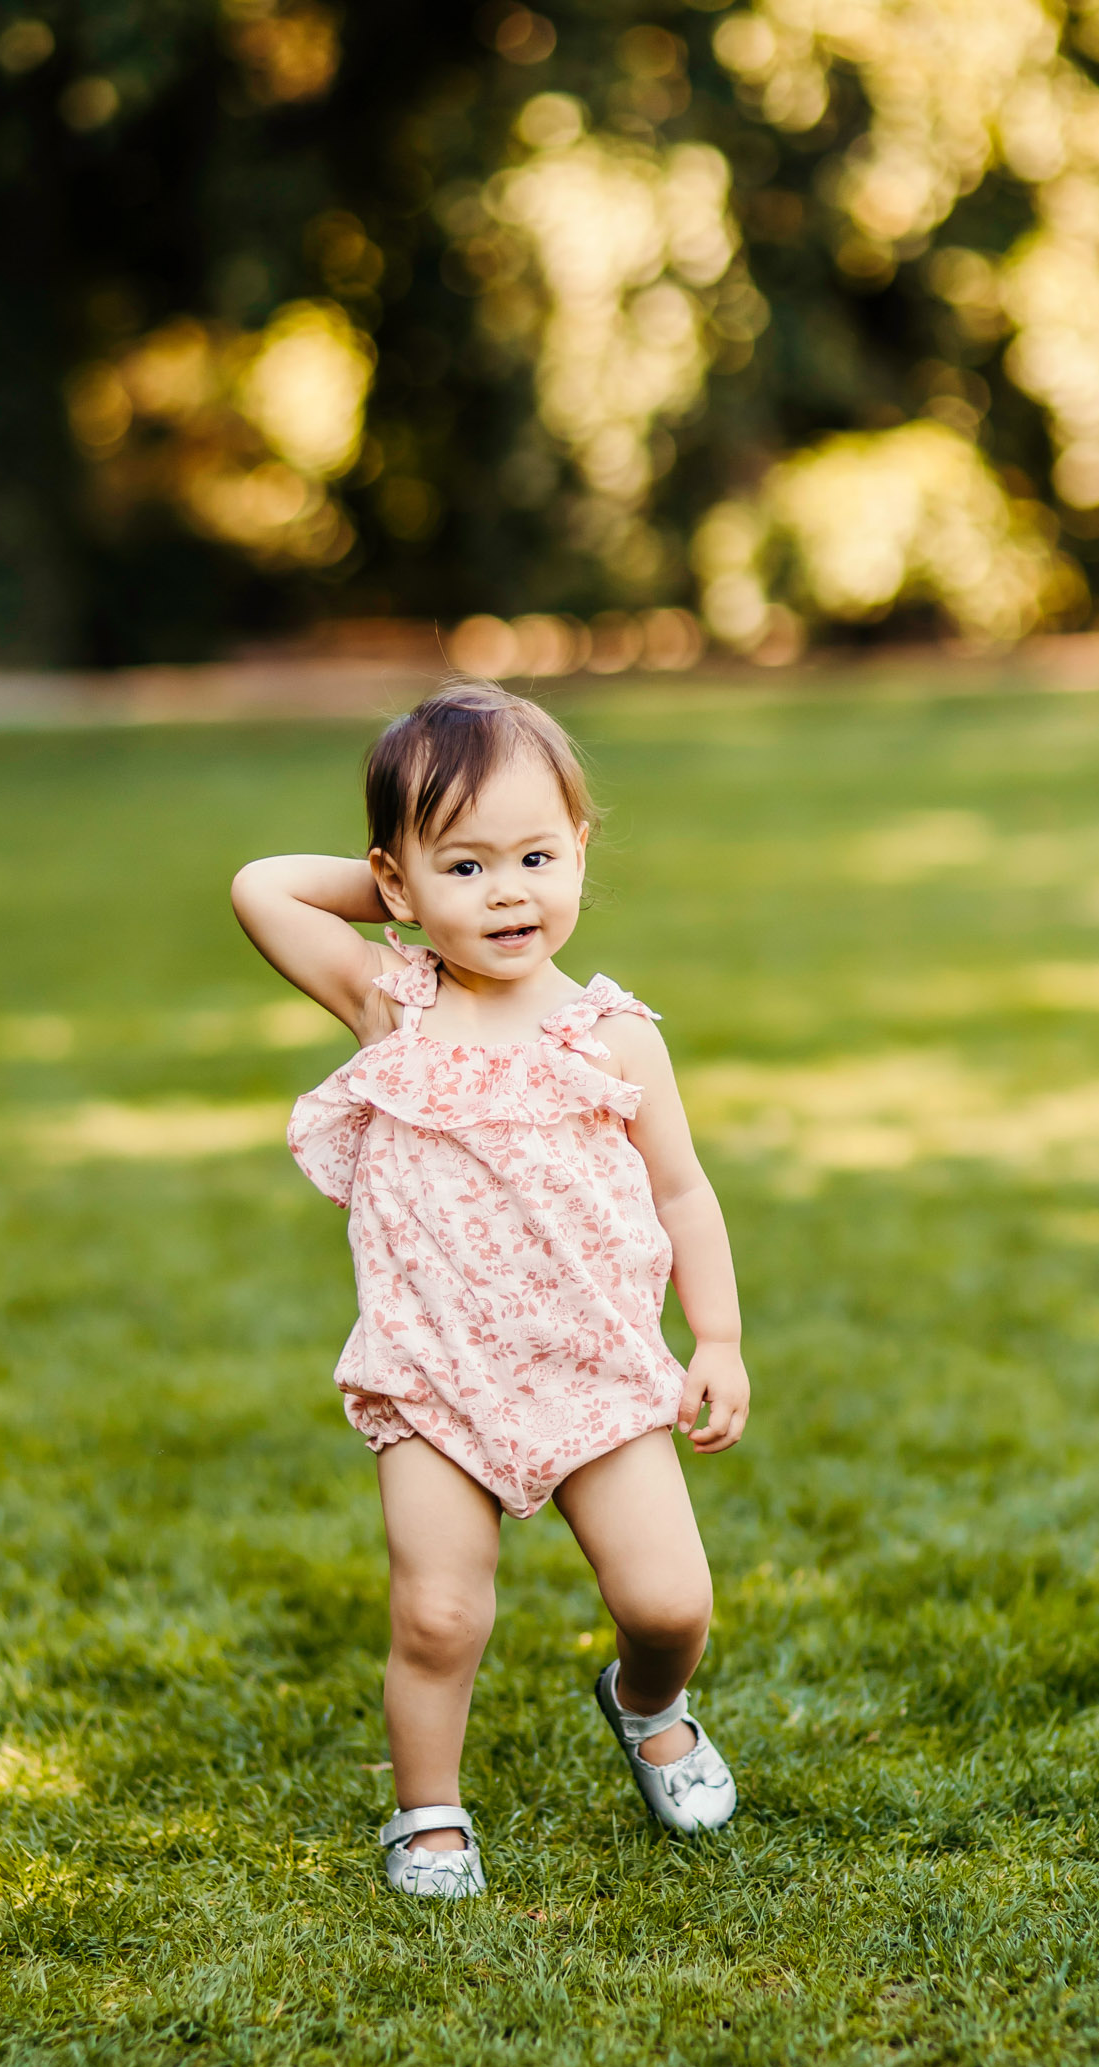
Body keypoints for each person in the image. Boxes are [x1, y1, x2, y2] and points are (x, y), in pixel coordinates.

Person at [231, 682, 748, 1900]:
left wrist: (713, 1335)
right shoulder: (389, 1002)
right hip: (434, 1372)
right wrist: (413, 894)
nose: (509, 890)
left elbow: (683, 1192)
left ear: (580, 851)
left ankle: (645, 1702)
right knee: (438, 1616)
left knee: (670, 1600)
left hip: (594, 1368)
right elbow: (263, 885)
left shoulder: (614, 1035)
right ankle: (428, 1814)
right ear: (395, 884)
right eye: (467, 866)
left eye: (535, 854)